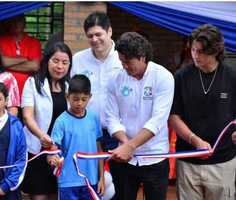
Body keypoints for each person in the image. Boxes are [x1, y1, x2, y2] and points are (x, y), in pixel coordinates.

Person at [169, 24, 236, 200]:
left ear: (214, 51)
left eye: (200, 52)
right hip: (188, 160)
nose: (195, 55)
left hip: (223, 161)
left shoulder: (231, 76)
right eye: (193, 50)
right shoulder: (181, 76)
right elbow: (174, 117)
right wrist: (194, 140)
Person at [106, 32, 174, 200]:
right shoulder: (115, 78)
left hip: (155, 157)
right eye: (121, 61)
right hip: (124, 159)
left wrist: (131, 146)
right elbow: (111, 117)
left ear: (142, 57)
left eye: (128, 61)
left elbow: (158, 120)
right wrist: (124, 143)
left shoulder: (163, 76)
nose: (124, 66)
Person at [70, 11, 124, 200]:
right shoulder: (78, 59)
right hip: (88, 132)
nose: (95, 39)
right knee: (91, 183)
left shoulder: (122, 58)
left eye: (99, 34)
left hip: (117, 131)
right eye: (90, 36)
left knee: (120, 182)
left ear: (109, 32)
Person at [21, 42, 71, 200]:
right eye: (55, 61)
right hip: (38, 149)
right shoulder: (33, 83)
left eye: (65, 62)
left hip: (60, 151)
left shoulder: (69, 87)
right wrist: (41, 136)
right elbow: (27, 116)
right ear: (47, 61)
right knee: (39, 196)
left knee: (58, 194)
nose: (60, 66)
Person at [48, 74, 105, 200]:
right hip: (68, 180)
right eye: (75, 99)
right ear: (67, 97)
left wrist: (101, 177)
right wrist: (52, 159)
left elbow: (98, 149)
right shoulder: (61, 121)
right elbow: (52, 149)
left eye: (84, 99)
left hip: (91, 179)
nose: (79, 103)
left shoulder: (94, 118)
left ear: (90, 97)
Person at [0, 14, 42, 96]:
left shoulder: (34, 42)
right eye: (13, 21)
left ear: (24, 23)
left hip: (28, 91)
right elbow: (1, 62)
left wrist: (5, 65)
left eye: (19, 21)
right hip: (4, 90)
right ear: (8, 23)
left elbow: (35, 66)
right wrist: (24, 59)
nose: (16, 24)